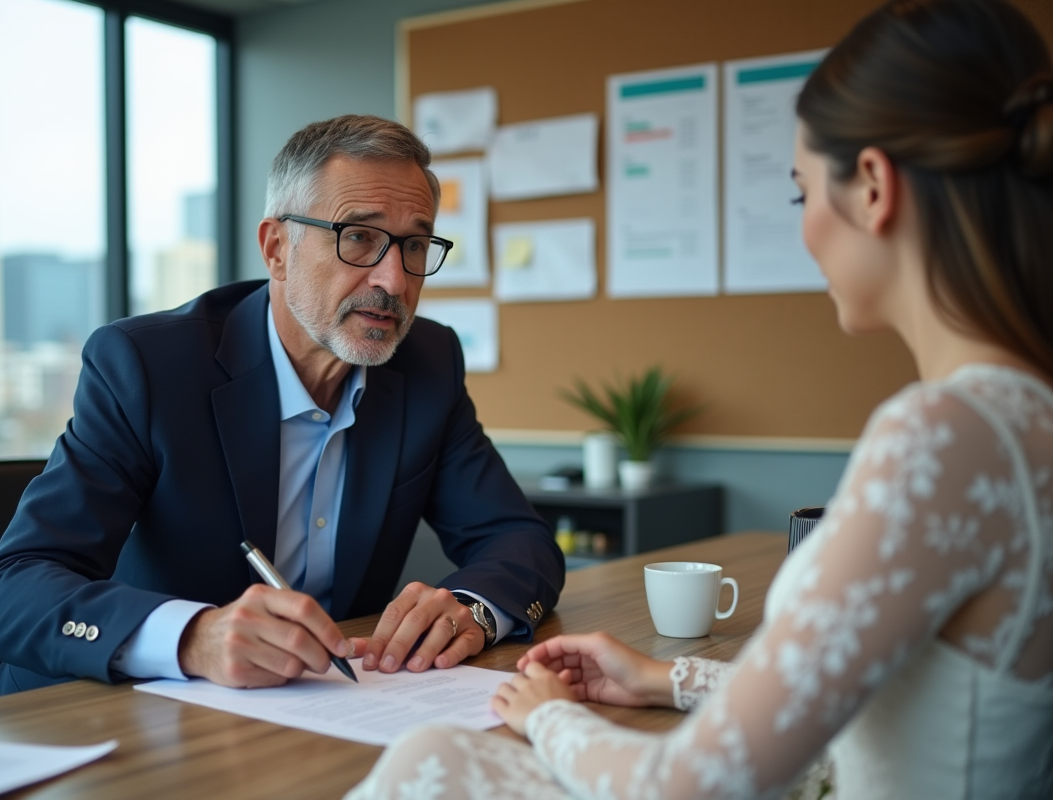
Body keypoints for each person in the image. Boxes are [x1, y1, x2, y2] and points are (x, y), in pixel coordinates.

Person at [345, 1, 1053, 797]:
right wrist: (665, 679)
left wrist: (547, 714)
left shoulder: (944, 435)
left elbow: (687, 785)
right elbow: (885, 695)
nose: (806, 230)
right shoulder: (1026, 418)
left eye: (801, 194)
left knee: (432, 756)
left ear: (874, 188)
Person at [0, 115, 564, 698]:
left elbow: (518, 539)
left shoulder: (428, 362)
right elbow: (11, 590)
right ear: (277, 248)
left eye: (414, 244)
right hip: (88, 713)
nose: (395, 279)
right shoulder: (147, 366)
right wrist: (193, 636)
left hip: (319, 715)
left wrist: (473, 610)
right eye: (359, 237)